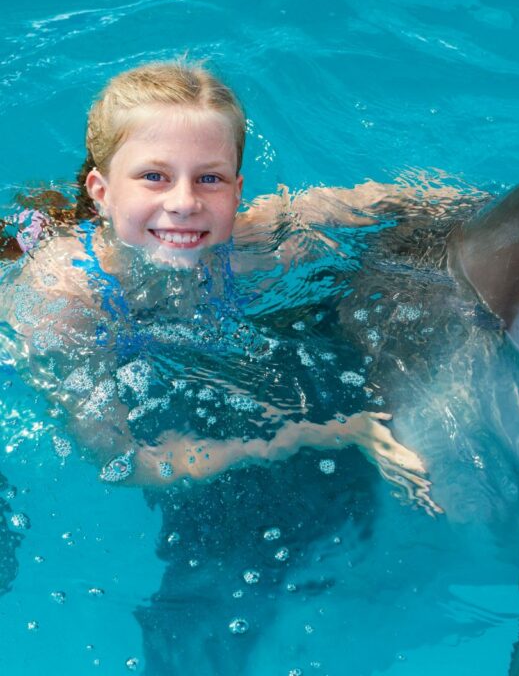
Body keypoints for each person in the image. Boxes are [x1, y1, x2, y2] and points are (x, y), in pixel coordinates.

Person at [0, 60, 434, 494]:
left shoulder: (256, 241)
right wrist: (324, 431)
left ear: (238, 190)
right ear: (102, 192)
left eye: (210, 178)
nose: (185, 202)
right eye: (155, 177)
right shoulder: (64, 300)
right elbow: (127, 462)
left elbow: (389, 202)